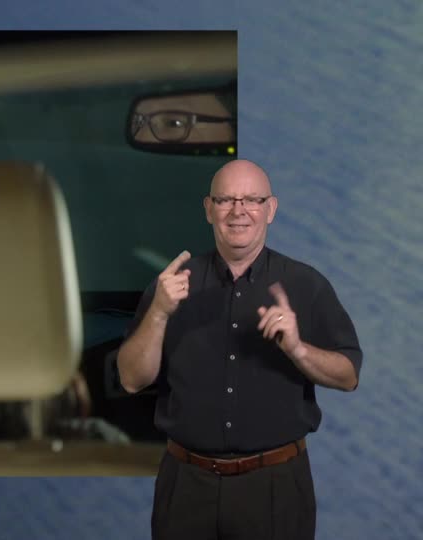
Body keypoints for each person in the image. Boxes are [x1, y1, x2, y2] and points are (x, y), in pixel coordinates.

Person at [116, 159, 362, 540]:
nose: (238, 211)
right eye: (226, 199)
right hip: (185, 486)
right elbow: (132, 379)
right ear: (208, 209)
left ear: (271, 209)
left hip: (275, 489)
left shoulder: (306, 285)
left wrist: (298, 349)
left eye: (251, 199)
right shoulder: (170, 285)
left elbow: (348, 377)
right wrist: (160, 313)